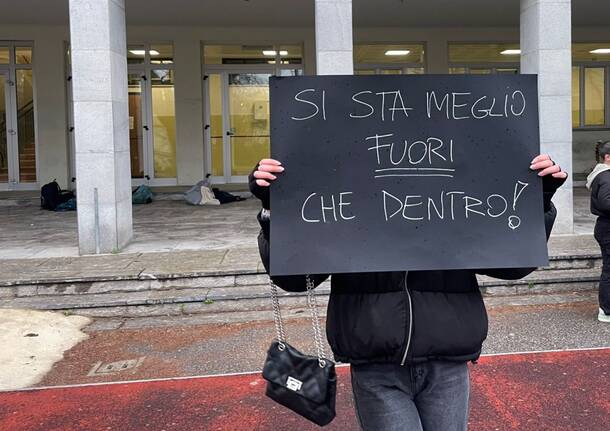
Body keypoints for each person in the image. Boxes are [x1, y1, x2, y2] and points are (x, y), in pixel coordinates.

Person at [249, 154, 567, 430]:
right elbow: (296, 278)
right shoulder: (344, 195)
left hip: (446, 358)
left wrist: (535, 200)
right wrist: (278, 209)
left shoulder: (457, 195)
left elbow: (512, 266)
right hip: (376, 362)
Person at [586, 140, 610, 323]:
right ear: (607, 157)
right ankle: (606, 310)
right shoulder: (606, 176)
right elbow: (605, 202)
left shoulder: (600, 175)